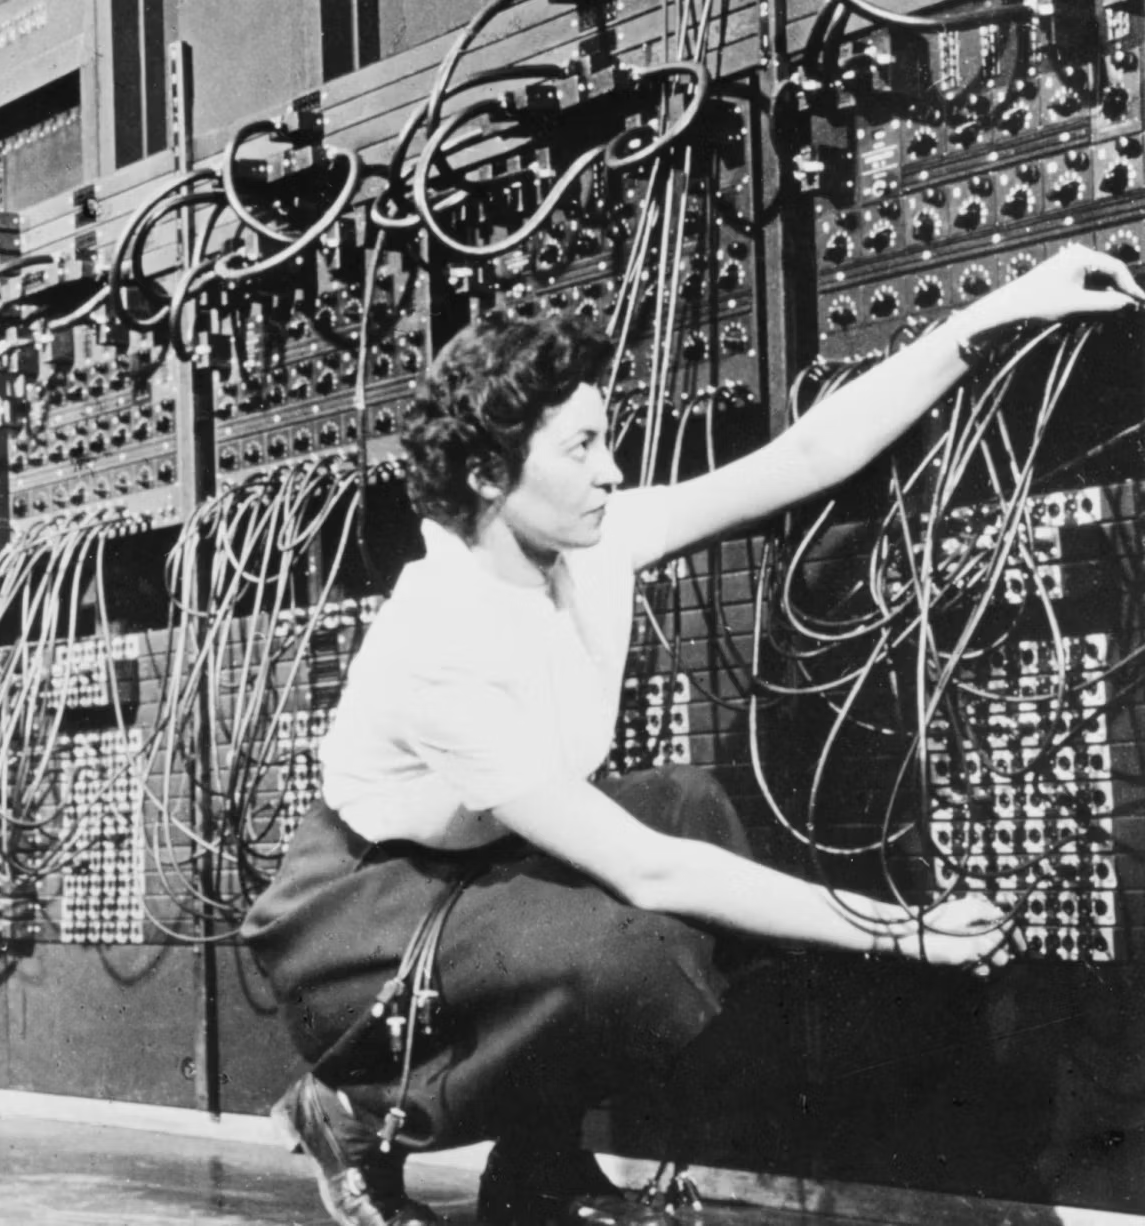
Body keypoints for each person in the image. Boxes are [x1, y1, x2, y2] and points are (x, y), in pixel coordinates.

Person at [241, 244, 1143, 1225]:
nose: (612, 469)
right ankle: (349, 1106)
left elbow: (796, 462)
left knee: (688, 803)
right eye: (581, 447)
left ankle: (535, 1161)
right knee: (628, 951)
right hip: (366, 919)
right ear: (488, 471)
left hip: (475, 876)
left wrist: (998, 312)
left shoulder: (585, 545)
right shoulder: (442, 634)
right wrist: (906, 930)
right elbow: (652, 875)